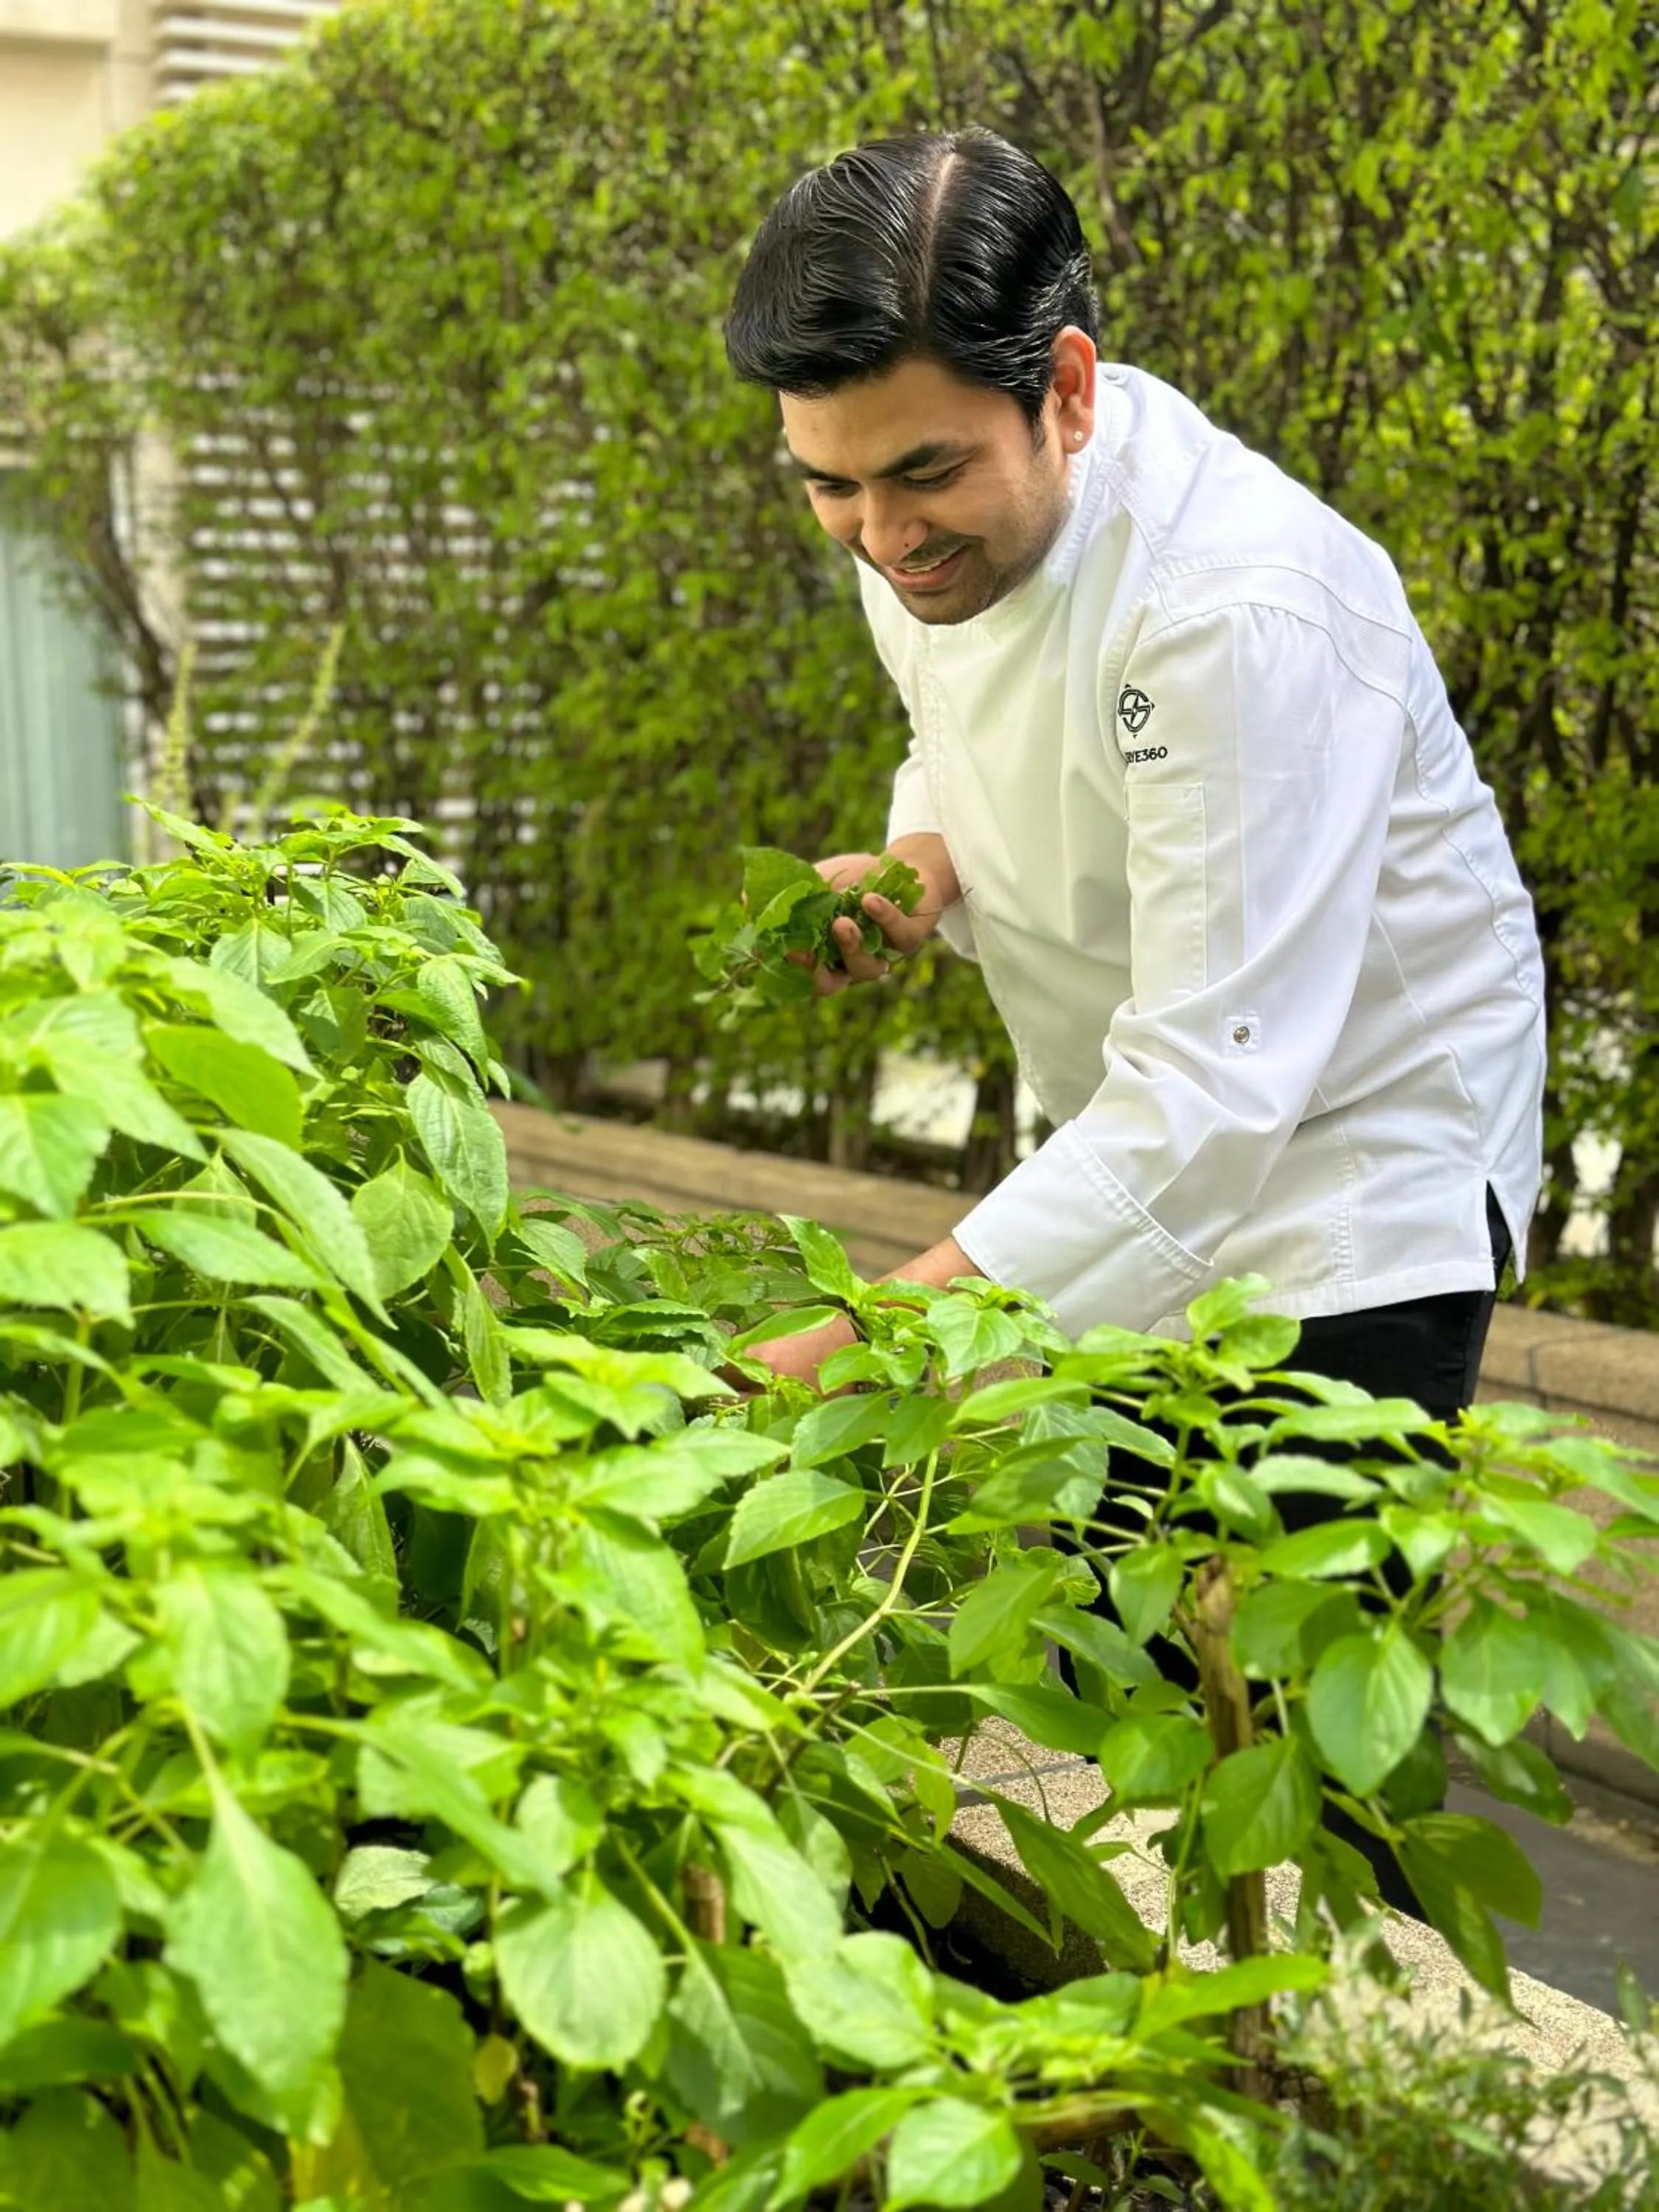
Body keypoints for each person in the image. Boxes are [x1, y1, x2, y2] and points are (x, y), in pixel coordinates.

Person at [721, 128, 1545, 1432]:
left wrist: (846, 1348)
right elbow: (962, 724)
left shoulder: (1230, 613)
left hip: (1352, 1186)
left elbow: (1213, 1089)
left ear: (1066, 389)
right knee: (1110, 1622)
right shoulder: (934, 535)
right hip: (1141, 1156)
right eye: (831, 484)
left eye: (923, 473)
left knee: (1264, 1631)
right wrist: (924, 856)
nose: (881, 539)